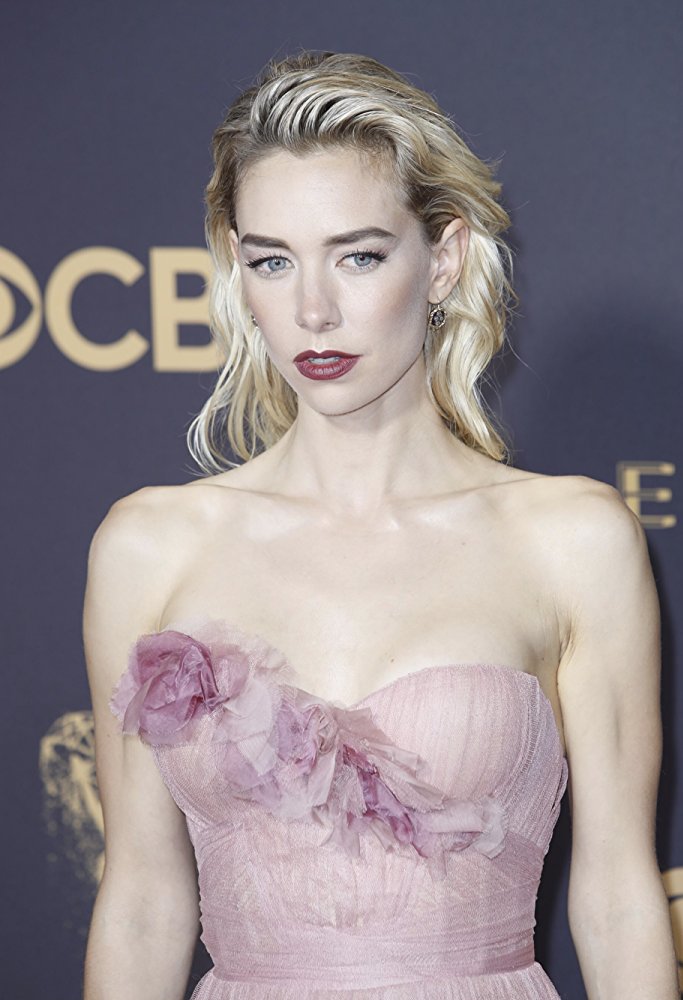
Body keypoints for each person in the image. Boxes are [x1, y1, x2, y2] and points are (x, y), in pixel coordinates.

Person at [82, 50, 678, 1000]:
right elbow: (143, 901)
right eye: (272, 261)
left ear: (442, 259)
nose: (312, 310)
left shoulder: (571, 540)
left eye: (358, 255)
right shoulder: (150, 547)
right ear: (238, 270)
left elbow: (614, 900)